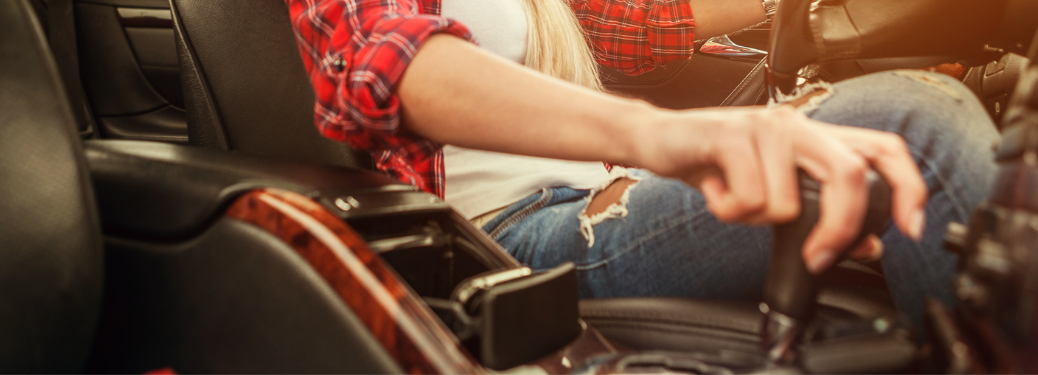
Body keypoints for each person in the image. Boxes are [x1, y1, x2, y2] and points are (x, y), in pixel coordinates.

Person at [283, 0, 999, 319]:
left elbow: (638, 26)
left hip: (598, 190)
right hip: (497, 241)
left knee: (911, 110)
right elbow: (383, 65)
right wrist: (661, 136)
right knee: (912, 128)